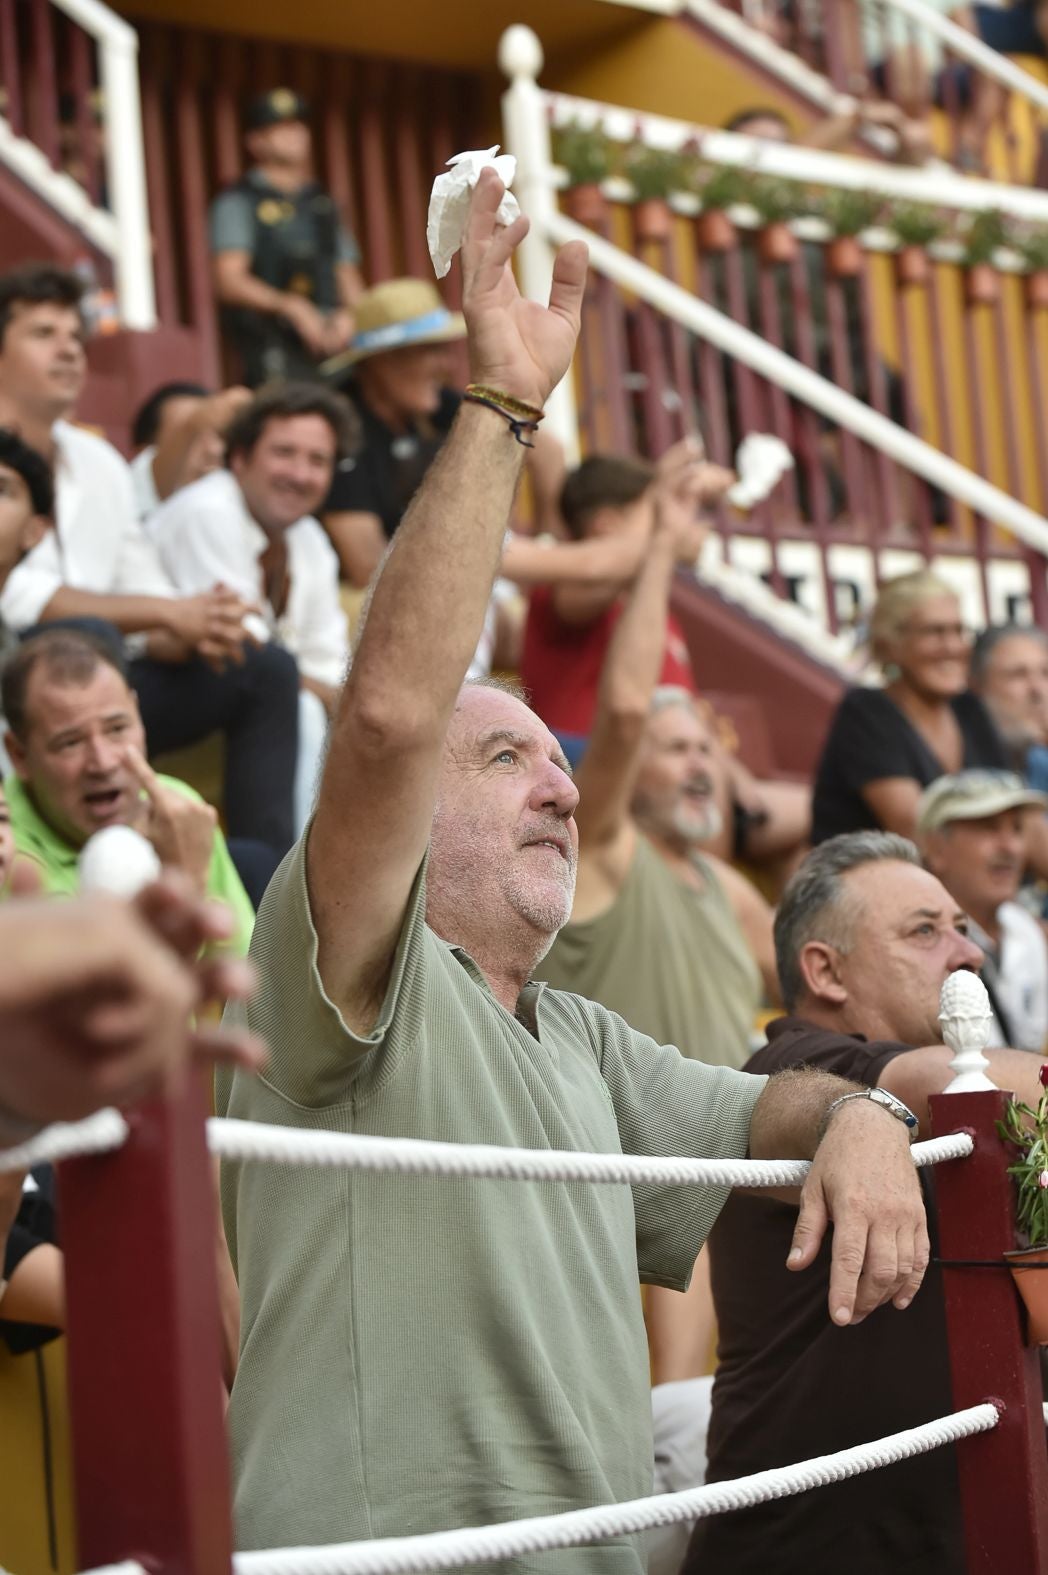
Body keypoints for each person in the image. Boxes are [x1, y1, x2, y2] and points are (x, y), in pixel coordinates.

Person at [216, 170, 928, 1564]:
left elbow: (762, 1105)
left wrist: (854, 1120)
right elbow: (386, 713)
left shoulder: (581, 1039)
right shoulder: (353, 966)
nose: (559, 783)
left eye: (558, 759)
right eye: (505, 762)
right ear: (402, 820)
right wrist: (501, 405)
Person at [683, 829, 1046, 1575]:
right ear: (826, 970)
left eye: (962, 929)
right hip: (813, 1548)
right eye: (924, 932)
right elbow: (992, 1090)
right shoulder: (789, 1070)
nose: (969, 952)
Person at [0, 262, 301, 889]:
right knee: (82, 633)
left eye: (76, 338)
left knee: (265, 665)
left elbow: (147, 591)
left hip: (106, 687)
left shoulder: (99, 462)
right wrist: (168, 615)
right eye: (43, 333)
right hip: (20, 692)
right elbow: (19, 601)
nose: (69, 349)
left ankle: (270, 880)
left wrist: (198, 626)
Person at [534, 450, 777, 1071]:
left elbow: (819, 988)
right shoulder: (602, 851)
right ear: (628, 768)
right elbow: (622, 710)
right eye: (675, 749)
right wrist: (663, 543)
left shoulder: (728, 890)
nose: (701, 766)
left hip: (731, 1168)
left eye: (704, 749)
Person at [150, 383, 352, 831]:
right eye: (284, 452)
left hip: (250, 696)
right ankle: (287, 879)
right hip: (166, 690)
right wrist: (338, 696)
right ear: (239, 458)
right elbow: (247, 653)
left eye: (317, 460)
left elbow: (331, 665)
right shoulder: (207, 510)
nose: (300, 474)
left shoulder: (310, 539)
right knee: (297, 701)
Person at [1, 629, 254, 953]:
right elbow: (114, 1001)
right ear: (19, 755)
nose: (103, 763)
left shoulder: (177, 810)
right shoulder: (6, 854)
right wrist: (184, 884)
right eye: (71, 743)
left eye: (117, 729)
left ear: (139, 715)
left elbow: (246, 979)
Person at [322, 277, 566, 585]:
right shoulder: (339, 425)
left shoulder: (432, 403)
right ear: (381, 361)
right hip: (362, 602)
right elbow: (366, 568)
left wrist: (547, 542)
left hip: (438, 573)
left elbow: (546, 450)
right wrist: (579, 565)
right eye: (429, 351)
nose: (446, 364)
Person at [812, 569, 1007, 843]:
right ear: (892, 645)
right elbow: (915, 829)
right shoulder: (866, 711)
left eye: (959, 630)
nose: (952, 646)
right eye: (934, 632)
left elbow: (1013, 813)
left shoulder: (969, 709)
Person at [210, 89, 363, 386]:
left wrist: (353, 317)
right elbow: (228, 280)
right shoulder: (240, 200)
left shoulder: (322, 203)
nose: (294, 134)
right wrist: (289, 306)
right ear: (256, 142)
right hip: (270, 343)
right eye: (280, 128)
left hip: (334, 344)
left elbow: (347, 276)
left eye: (298, 126)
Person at [917, 769, 1048, 1051]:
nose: (1010, 847)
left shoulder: (1023, 928)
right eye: (988, 827)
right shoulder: (914, 944)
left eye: (1016, 828)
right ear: (936, 847)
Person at [130, 381, 251, 521]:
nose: (212, 450)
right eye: (187, 438)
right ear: (143, 451)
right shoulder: (123, 501)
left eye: (218, 435)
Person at [969, 623, 1048, 792]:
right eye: (1018, 674)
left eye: (1045, 673)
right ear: (976, 685)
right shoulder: (966, 767)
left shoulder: (1038, 759)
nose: (1038, 690)